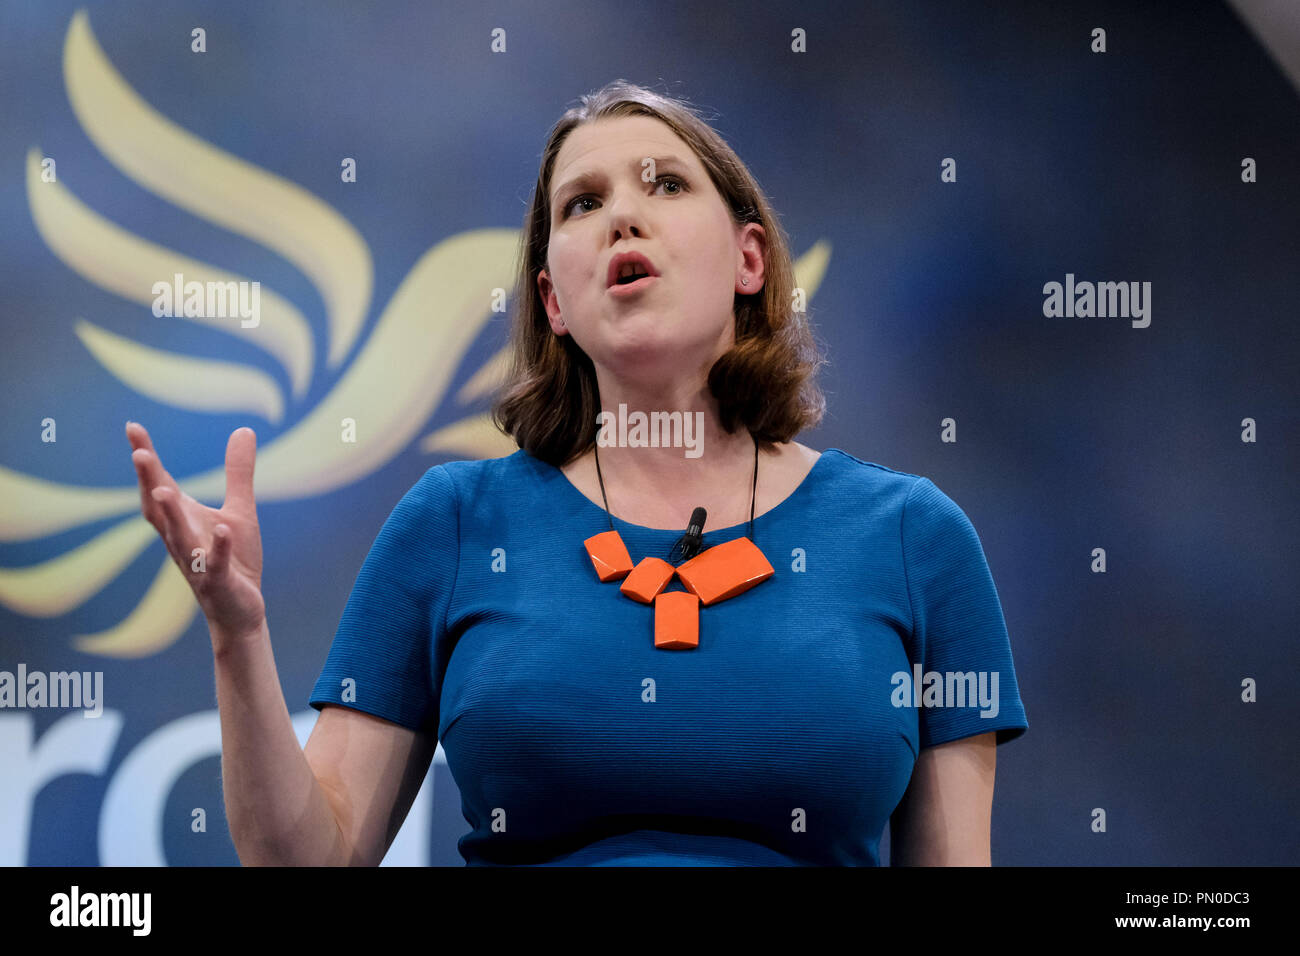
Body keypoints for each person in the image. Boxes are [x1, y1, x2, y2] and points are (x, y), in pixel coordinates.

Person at [125, 80, 1026, 867]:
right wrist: (237, 636)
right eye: (581, 205)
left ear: (750, 260)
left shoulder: (913, 539)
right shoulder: (455, 523)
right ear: (554, 300)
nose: (622, 217)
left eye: (666, 185)